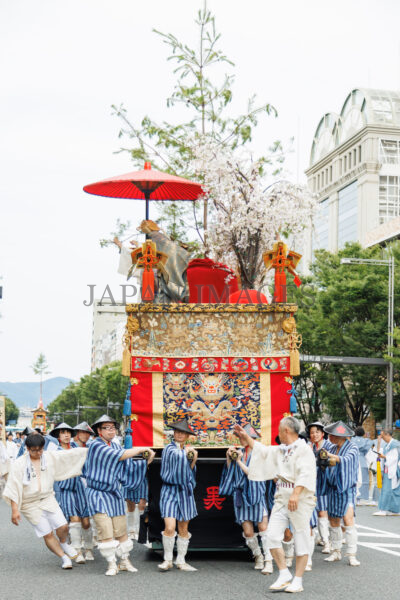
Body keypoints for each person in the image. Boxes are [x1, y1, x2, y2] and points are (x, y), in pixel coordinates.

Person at [235, 416, 316, 594]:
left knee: (301, 537)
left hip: (300, 498)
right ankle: (284, 573)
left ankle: (298, 579)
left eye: (279, 428)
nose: (277, 431)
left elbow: (306, 472)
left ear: (287, 430)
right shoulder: (282, 450)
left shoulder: (304, 449)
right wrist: (247, 438)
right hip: (281, 497)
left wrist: (296, 493)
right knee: (271, 536)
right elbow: (263, 451)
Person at [3, 432, 88, 569]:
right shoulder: (19, 464)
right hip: (29, 503)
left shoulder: (49, 457)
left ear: (43, 447)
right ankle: (64, 557)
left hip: (48, 497)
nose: (37, 453)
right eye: (33, 450)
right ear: (27, 448)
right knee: (47, 533)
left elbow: (68, 455)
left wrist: (87, 451)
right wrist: (14, 511)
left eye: (40, 450)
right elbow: (14, 487)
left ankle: (63, 542)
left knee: (63, 526)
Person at [85, 414, 154, 576]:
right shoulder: (96, 445)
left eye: (113, 427)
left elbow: (127, 465)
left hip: (115, 493)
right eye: (106, 428)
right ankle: (111, 563)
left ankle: (124, 560)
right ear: (99, 431)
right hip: (97, 493)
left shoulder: (115, 445)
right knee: (105, 529)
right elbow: (121, 456)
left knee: (121, 530)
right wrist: (142, 449)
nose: (111, 430)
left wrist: (144, 462)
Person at [219, 423, 273, 575]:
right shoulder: (239, 451)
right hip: (241, 496)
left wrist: (238, 460)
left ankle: (269, 560)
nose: (242, 439)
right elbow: (230, 472)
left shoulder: (260, 452)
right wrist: (229, 458)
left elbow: (253, 473)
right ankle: (258, 555)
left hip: (256, 493)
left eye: (244, 436)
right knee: (248, 532)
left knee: (263, 529)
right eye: (240, 436)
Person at [49, 422, 93, 563]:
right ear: (58, 436)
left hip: (80, 487)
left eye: (68, 432)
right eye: (62, 432)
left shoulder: (76, 448)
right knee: (74, 520)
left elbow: (86, 466)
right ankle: (77, 550)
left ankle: (89, 548)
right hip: (65, 488)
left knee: (86, 522)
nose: (66, 435)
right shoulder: (54, 451)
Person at [318, 421, 360, 567]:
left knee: (348, 519)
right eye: (329, 434)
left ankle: (352, 554)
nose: (329, 437)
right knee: (333, 520)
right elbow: (321, 459)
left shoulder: (352, 447)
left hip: (347, 487)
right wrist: (327, 457)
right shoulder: (331, 446)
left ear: (340, 436)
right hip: (332, 487)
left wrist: (329, 457)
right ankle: (336, 551)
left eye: (332, 435)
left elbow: (346, 460)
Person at [158, 419, 198, 572]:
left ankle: (181, 560)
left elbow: (190, 471)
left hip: (184, 491)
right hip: (169, 489)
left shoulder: (188, 451)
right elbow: (178, 457)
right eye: (178, 431)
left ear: (187, 436)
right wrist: (190, 454)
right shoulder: (169, 449)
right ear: (174, 433)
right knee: (169, 527)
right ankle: (167, 559)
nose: (180, 434)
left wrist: (193, 459)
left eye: (183, 432)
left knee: (183, 528)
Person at [307, 421, 331, 554]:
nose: (314, 434)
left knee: (322, 512)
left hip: (324, 483)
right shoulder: (310, 447)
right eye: (312, 432)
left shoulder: (328, 446)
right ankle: (318, 538)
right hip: (311, 483)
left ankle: (326, 541)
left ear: (322, 433)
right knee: (313, 512)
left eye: (317, 432)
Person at [373, 429, 400, 516]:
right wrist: (379, 442)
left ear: (388, 434)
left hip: (392, 469)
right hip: (388, 469)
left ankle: (384, 509)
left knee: (388, 490)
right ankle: (393, 510)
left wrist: (384, 457)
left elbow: (394, 458)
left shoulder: (394, 444)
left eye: (382, 435)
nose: (382, 437)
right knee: (390, 490)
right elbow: (379, 453)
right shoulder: (388, 445)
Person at [352, 426, 373, 505]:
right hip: (362, 460)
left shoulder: (352, 440)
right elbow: (368, 451)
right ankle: (360, 498)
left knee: (354, 479)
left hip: (354, 460)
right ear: (363, 433)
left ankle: (353, 496)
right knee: (364, 480)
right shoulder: (367, 441)